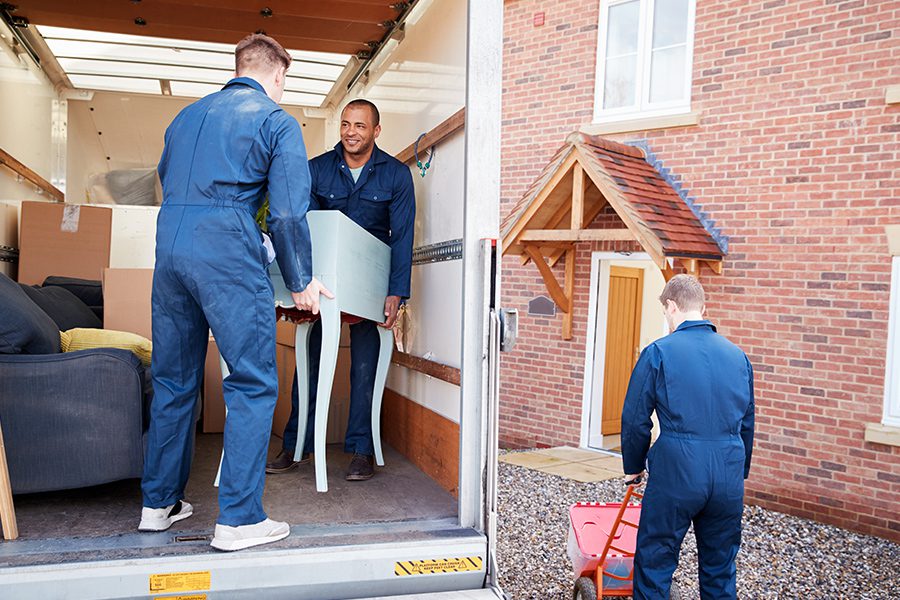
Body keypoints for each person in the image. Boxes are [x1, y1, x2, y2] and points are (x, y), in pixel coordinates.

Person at [139, 33, 331, 552]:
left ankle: (158, 505)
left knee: (175, 380)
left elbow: (167, 182)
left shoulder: (184, 119)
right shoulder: (275, 119)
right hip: (225, 248)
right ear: (276, 75)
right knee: (251, 380)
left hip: (170, 245)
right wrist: (301, 282)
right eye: (284, 81)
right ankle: (241, 519)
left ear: (238, 66)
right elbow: (290, 210)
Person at [266, 99, 415, 481]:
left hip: (371, 283)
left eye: (360, 126)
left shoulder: (396, 175)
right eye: (346, 124)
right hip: (325, 283)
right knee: (309, 367)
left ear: (376, 131)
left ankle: (361, 450)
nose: (351, 132)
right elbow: (305, 226)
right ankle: (297, 444)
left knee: (363, 369)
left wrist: (396, 291)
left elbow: (402, 238)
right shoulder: (316, 169)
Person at [621, 274, 755, 599]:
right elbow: (747, 423)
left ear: (671, 306)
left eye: (665, 312)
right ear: (703, 307)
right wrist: (741, 471)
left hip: (677, 473)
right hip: (727, 475)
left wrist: (633, 466)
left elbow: (636, 418)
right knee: (720, 568)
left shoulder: (658, 352)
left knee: (655, 562)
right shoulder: (738, 357)